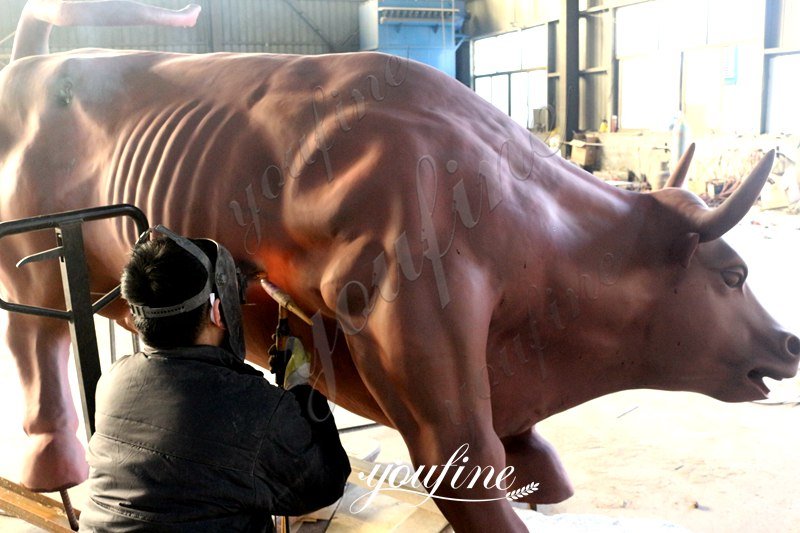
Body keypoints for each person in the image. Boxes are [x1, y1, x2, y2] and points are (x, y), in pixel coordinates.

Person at [78, 226, 351, 532]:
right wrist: (302, 388)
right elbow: (324, 483)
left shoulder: (115, 379)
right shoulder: (253, 409)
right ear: (218, 312)